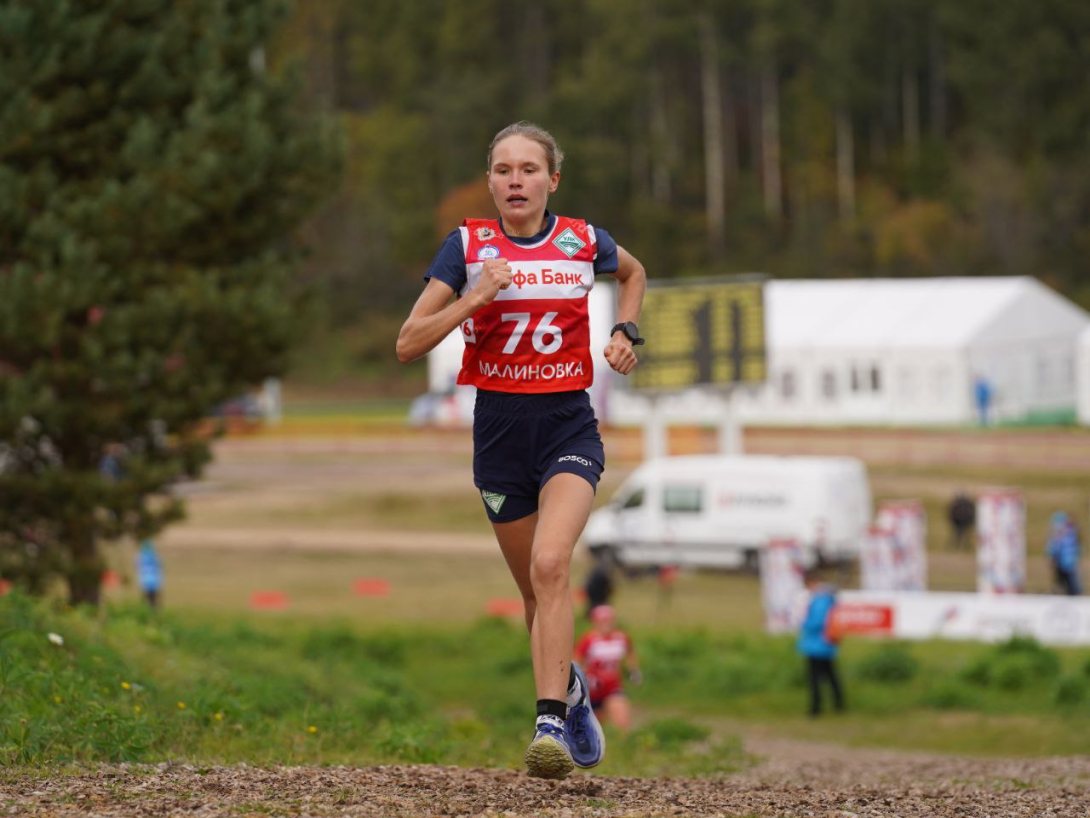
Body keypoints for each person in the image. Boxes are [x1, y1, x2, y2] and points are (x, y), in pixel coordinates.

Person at [396, 121, 647, 779]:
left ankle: (548, 729)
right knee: (538, 599)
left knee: (551, 563)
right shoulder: (467, 247)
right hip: (501, 439)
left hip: (568, 429)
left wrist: (625, 331)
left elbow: (634, 272)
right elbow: (408, 341)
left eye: (529, 169)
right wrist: (473, 297)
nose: (516, 180)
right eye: (503, 169)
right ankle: (573, 694)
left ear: (551, 180)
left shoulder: (582, 240)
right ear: (490, 183)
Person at [574, 605, 640, 732]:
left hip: (612, 687)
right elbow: (576, 660)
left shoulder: (621, 638)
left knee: (622, 720)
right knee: (594, 728)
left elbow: (631, 652)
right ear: (595, 622)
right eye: (602, 621)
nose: (606, 624)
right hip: (592, 690)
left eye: (609, 620)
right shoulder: (589, 639)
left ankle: (624, 746)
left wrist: (634, 671)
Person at [797, 572, 845, 717]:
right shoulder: (829, 599)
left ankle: (815, 708)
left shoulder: (820, 600)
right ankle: (839, 704)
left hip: (816, 644)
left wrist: (804, 624)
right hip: (827, 643)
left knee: (814, 678)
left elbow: (817, 622)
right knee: (831, 675)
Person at [1046, 511, 1081, 596]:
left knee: (1070, 583)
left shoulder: (1068, 534)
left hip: (1067, 563)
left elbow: (1057, 547)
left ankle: (1073, 594)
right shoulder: (1063, 535)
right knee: (1062, 581)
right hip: (1062, 563)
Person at [583, 552, 615, 618]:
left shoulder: (598, 569)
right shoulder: (603, 570)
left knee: (595, 606)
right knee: (597, 606)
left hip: (597, 593)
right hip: (597, 593)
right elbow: (608, 584)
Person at [135, 538, 163, 608]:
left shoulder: (140, 557)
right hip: (154, 582)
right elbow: (159, 567)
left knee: (145, 602)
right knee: (154, 602)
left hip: (145, 582)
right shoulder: (155, 557)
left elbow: (138, 568)